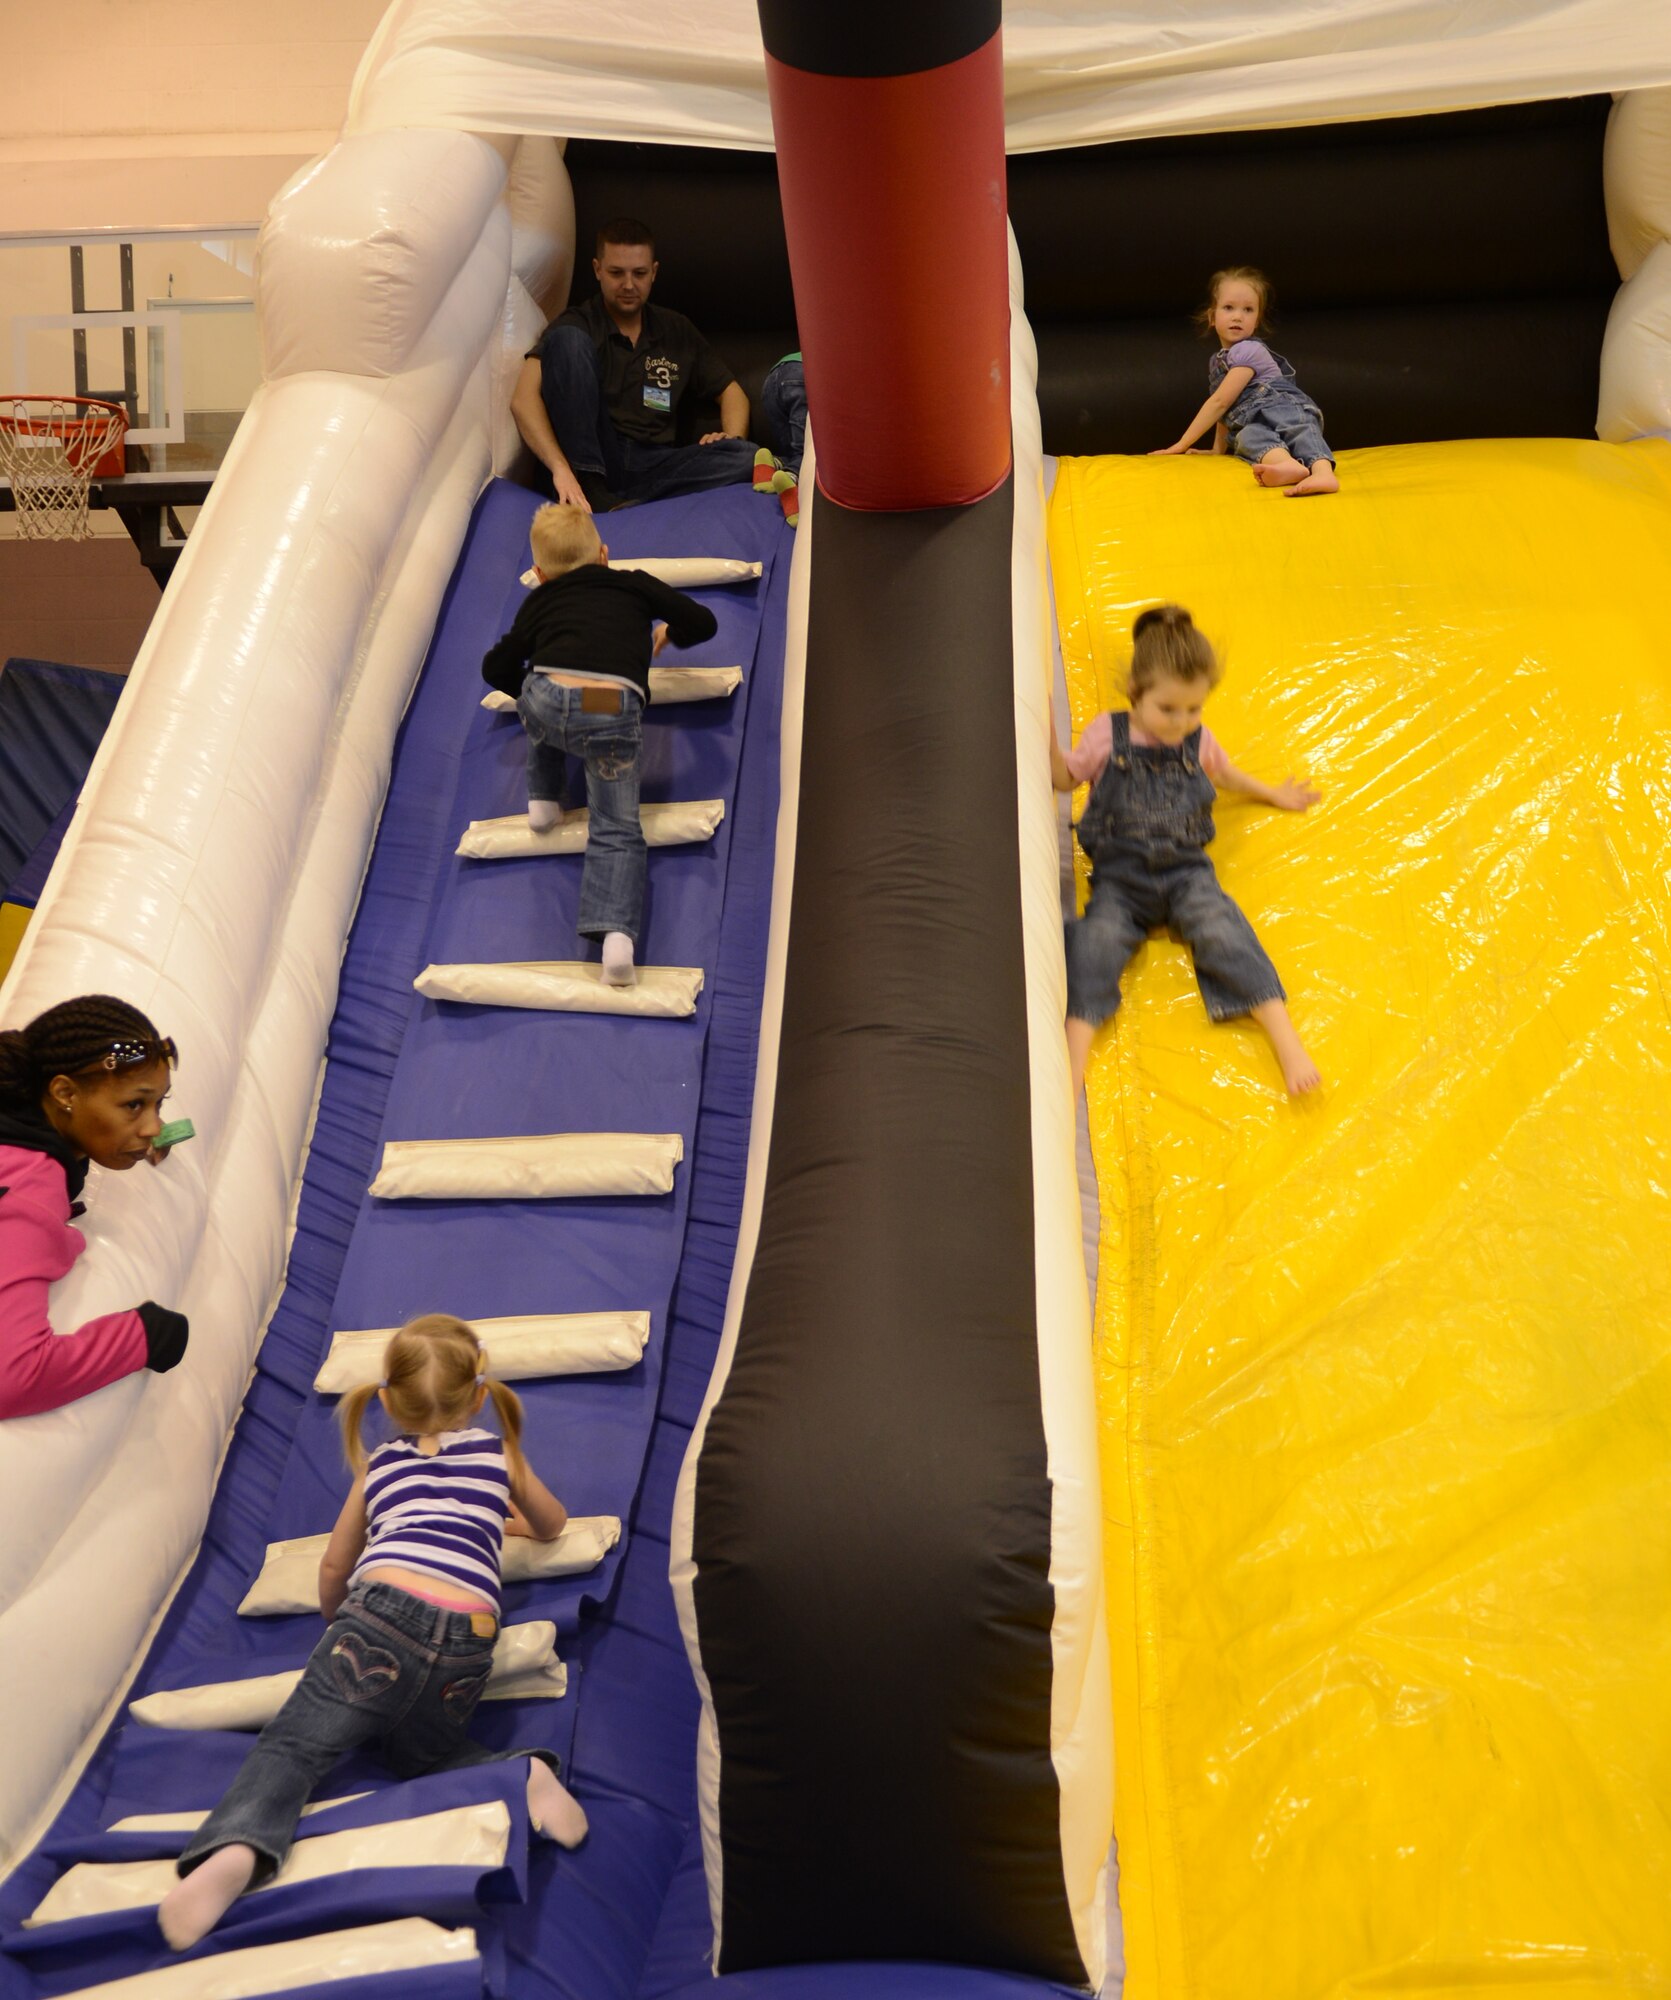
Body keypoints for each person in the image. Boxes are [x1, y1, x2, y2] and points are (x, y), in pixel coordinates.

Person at [157, 1313, 588, 1951]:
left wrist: (339, 1621)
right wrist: (507, 1524)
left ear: (385, 1400)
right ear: (479, 1395)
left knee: (295, 1747)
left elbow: (336, 1564)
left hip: (378, 1618)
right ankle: (523, 1776)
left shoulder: (380, 1464)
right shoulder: (499, 1453)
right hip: (469, 1637)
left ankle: (236, 1849)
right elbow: (552, 1524)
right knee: (426, 1758)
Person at [1054, 604, 1322, 1098]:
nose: (1181, 723)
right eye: (1168, 709)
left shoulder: (1197, 740)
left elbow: (1223, 773)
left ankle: (1284, 1036)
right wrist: (1047, 740)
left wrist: (1272, 793)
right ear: (1135, 694)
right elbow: (1065, 778)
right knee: (1096, 940)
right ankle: (1075, 1050)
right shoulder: (1105, 734)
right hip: (1122, 879)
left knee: (1222, 926)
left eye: (1194, 710)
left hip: (1185, 874)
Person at [480, 502, 719, 987]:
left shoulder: (538, 602)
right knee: (615, 827)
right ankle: (616, 942)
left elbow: (495, 668)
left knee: (540, 700)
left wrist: (525, 689)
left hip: (549, 703)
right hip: (610, 707)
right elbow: (702, 621)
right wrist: (668, 633)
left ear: (540, 574)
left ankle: (543, 801)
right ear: (604, 555)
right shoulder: (631, 582)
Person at [0, 995, 189, 1420]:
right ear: (64, 1092)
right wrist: (141, 1337)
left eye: (160, 1104)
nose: (152, 1126)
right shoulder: (29, 1190)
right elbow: (11, 1380)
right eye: (134, 1105)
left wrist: (150, 1135)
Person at [513, 217, 769, 513]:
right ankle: (592, 488)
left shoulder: (677, 329)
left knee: (747, 456)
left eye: (639, 273)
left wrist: (730, 436)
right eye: (616, 273)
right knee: (568, 340)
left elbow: (732, 392)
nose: (629, 285)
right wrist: (560, 468)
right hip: (594, 457)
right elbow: (522, 400)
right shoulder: (577, 322)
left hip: (655, 462)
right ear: (597, 270)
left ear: (654, 273)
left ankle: (631, 503)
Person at [1151, 266, 1340, 497]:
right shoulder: (1217, 362)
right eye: (1229, 307)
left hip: (1284, 407)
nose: (1238, 316)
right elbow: (1227, 412)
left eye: (1248, 310)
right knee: (1248, 436)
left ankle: (1323, 473)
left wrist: (1180, 444)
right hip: (1255, 420)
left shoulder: (1249, 351)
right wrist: (1217, 450)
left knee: (1299, 431)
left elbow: (1219, 402)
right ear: (1212, 317)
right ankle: (1286, 465)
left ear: (1257, 320)